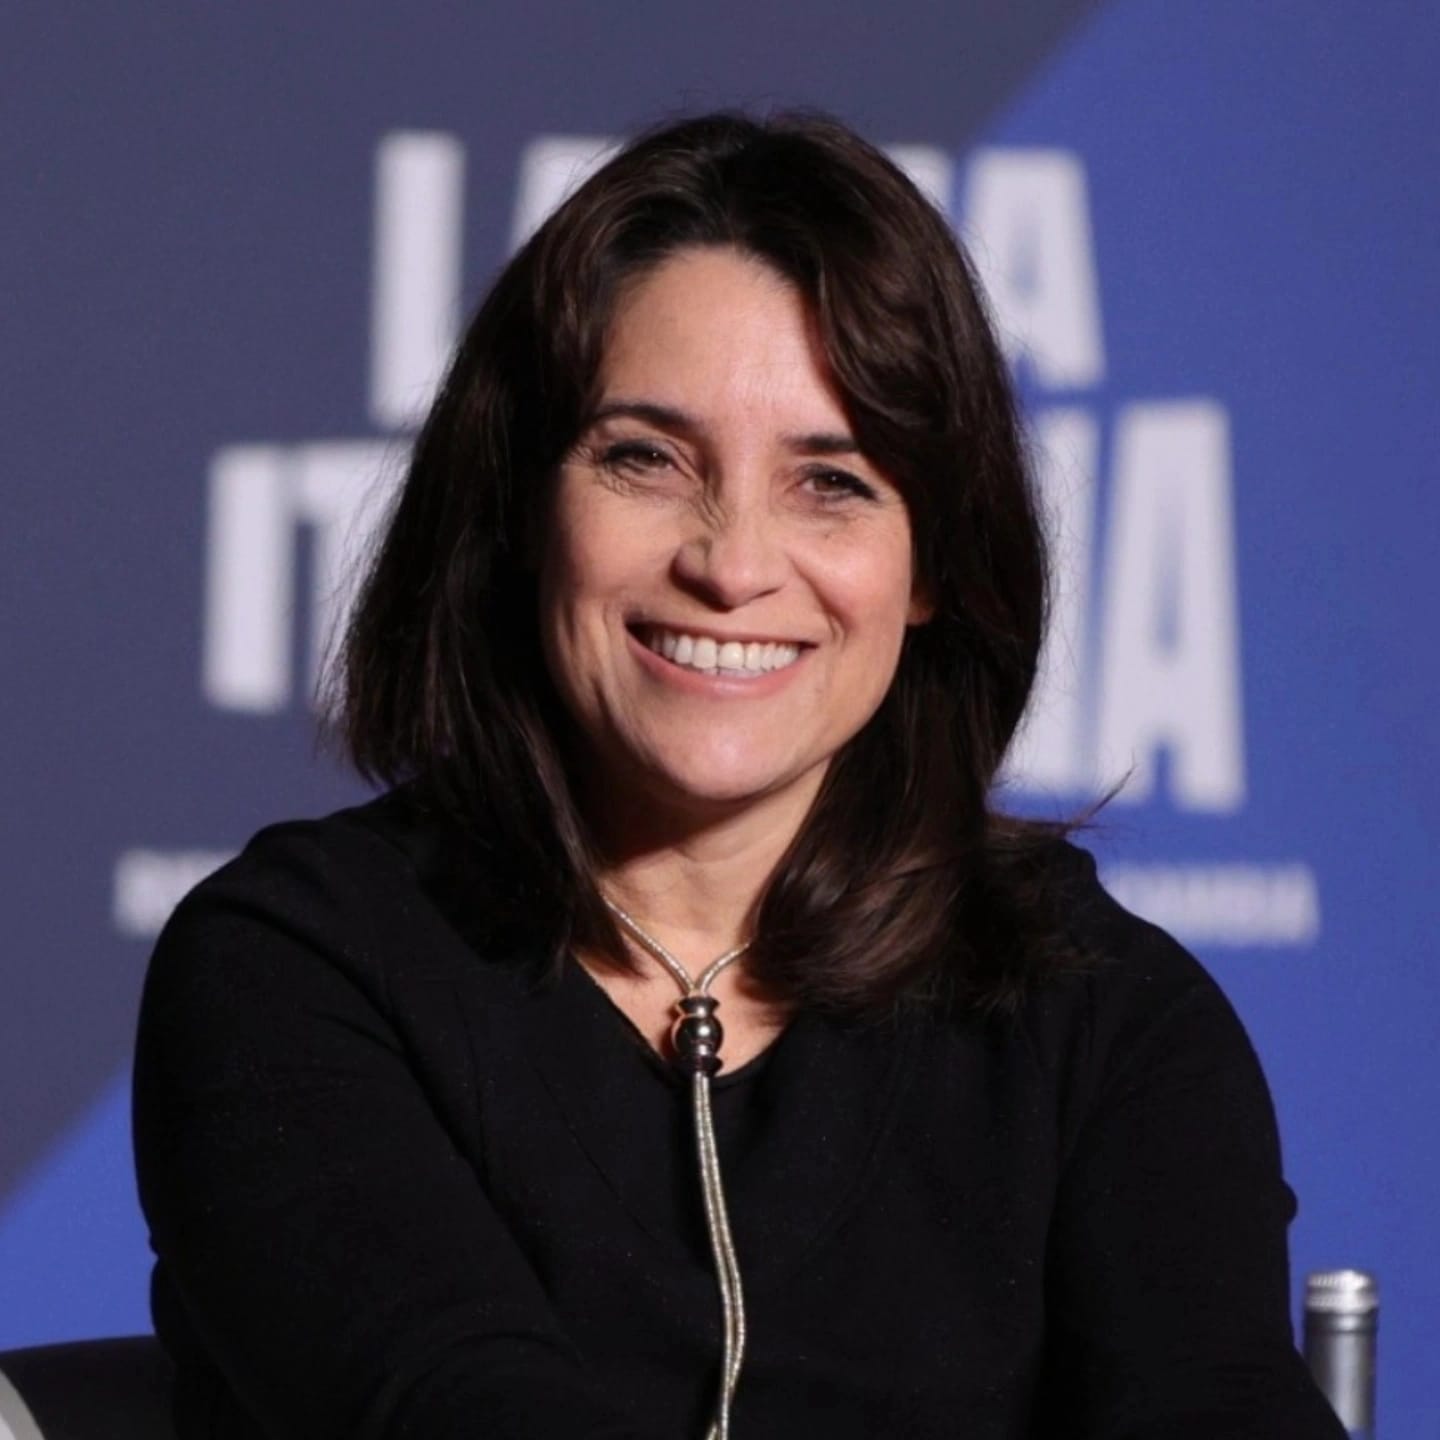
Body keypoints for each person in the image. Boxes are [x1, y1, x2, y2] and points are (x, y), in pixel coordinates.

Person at [132, 111, 1345, 1439]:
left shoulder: (1102, 1020)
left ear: (934, 566)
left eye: (832, 482)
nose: (733, 563)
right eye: (646, 460)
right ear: (522, 508)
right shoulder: (297, 967)